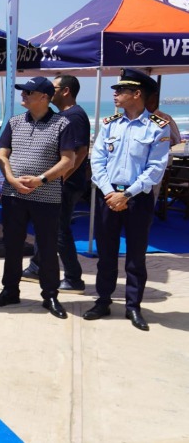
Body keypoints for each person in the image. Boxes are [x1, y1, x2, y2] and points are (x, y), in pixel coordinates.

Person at [85, 68, 171, 331]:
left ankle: (133, 306)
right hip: (108, 197)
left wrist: (127, 194)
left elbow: (155, 168)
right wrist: (110, 191)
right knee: (106, 254)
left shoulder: (158, 127)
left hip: (137, 199)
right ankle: (103, 300)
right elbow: (96, 160)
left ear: (137, 94)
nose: (115, 93)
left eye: (121, 90)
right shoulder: (110, 123)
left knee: (136, 256)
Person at [0, 76, 78, 319]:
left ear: (45, 97)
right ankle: (10, 290)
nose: (24, 95)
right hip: (13, 193)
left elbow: (68, 160)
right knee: (12, 244)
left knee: (48, 247)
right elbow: (2, 154)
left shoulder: (62, 124)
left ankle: (50, 294)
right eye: (24, 92)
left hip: (46, 196)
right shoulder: (15, 122)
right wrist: (11, 178)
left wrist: (41, 180)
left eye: (29, 92)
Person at [21, 75, 91, 293]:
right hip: (57, 183)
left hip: (66, 184)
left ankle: (73, 278)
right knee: (46, 226)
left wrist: (61, 178)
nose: (51, 90)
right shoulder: (65, 115)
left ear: (66, 91)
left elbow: (80, 152)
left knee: (60, 230)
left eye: (55, 87)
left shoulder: (74, 116)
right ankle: (36, 267)